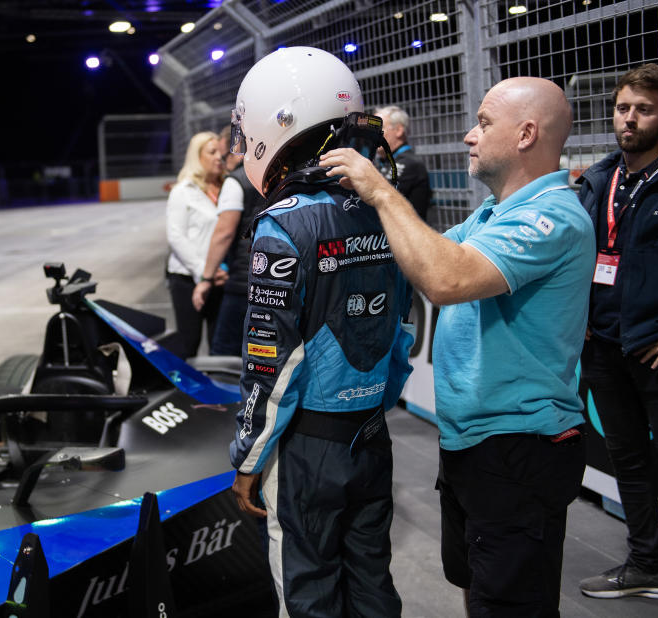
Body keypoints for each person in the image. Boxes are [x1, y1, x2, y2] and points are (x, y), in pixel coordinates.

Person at [320, 76, 595, 616]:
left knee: (511, 603)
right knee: (478, 584)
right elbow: (426, 254)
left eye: (484, 123)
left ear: (525, 134)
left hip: (519, 444)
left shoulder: (553, 216)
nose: (470, 135)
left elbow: (445, 278)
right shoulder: (494, 213)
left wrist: (379, 190)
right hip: (474, 440)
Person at [227, 47, 415, 617]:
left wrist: (248, 457)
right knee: (372, 583)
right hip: (371, 436)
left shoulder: (282, 225)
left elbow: (269, 362)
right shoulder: (386, 209)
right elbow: (400, 340)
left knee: (308, 594)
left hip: (307, 448)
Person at [576, 63, 658, 600]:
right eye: (623, 108)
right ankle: (646, 563)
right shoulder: (598, 179)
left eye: (644, 109)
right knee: (628, 460)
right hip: (605, 346)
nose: (630, 118)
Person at [191, 126, 265, 356]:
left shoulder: (236, 181)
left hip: (242, 282)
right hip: (273, 278)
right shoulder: (272, 174)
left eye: (222, 153)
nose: (220, 160)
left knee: (224, 351)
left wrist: (206, 278)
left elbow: (224, 233)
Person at [166, 131, 225, 359]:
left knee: (218, 344)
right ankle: (184, 394)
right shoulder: (183, 191)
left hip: (220, 279)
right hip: (187, 279)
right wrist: (204, 272)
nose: (219, 156)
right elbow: (176, 237)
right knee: (188, 345)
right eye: (212, 152)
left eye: (220, 151)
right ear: (196, 157)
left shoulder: (227, 188)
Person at [374, 105, 433, 220]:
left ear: (399, 130)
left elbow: (380, 196)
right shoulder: (381, 161)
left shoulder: (411, 163)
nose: (373, 134)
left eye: (379, 128)